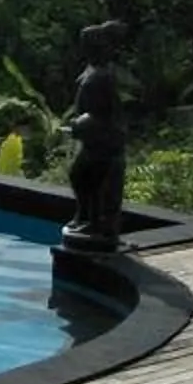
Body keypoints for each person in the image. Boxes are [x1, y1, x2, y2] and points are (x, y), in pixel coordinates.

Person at [63, 21, 127, 253]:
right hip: (93, 140)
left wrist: (82, 124)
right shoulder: (93, 70)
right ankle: (86, 216)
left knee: (92, 180)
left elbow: (104, 111)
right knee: (80, 176)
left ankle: (97, 224)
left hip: (104, 141)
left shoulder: (104, 74)